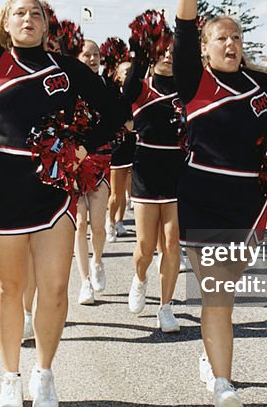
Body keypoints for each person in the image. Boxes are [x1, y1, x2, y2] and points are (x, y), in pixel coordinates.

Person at [0, 0, 124, 407]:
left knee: (54, 289)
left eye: (35, 12)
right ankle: (10, 377)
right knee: (8, 289)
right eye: (18, 12)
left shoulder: (67, 69)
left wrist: (85, 147)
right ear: (6, 24)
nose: (27, 18)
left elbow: (115, 109)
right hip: (1, 188)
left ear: (47, 25)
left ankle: (45, 374)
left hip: (53, 191)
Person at [175, 0, 267, 407]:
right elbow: (184, 22)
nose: (230, 43)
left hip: (248, 201)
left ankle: (211, 358)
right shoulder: (193, 79)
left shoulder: (260, 84)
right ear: (205, 47)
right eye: (220, 38)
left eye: (236, 37)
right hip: (201, 196)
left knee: (225, 293)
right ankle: (225, 385)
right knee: (216, 294)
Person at [123, 35, 185, 332]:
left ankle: (166, 306)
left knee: (172, 242)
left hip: (177, 170)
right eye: (162, 51)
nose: (168, 56)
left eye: (173, 52)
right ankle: (140, 278)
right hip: (146, 169)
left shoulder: (187, 88)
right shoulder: (141, 88)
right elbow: (129, 85)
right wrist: (142, 49)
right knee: (146, 247)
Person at [72, 39, 113, 304]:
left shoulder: (107, 87)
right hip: (72, 161)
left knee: (98, 225)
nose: (92, 58)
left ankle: (97, 261)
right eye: (86, 54)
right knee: (80, 224)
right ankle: (84, 282)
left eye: (96, 54)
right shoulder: (69, 86)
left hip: (99, 160)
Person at [107, 60, 135, 240]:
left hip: (136, 145)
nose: (128, 74)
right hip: (119, 147)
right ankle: (109, 223)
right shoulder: (114, 95)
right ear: (117, 75)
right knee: (116, 192)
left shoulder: (138, 94)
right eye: (125, 72)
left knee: (127, 188)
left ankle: (119, 221)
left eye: (131, 71)